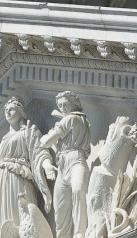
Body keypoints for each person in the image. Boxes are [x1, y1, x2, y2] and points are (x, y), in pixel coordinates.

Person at [0, 97, 56, 238]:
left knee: (21, 212)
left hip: (19, 178)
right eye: (6, 110)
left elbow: (39, 151)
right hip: (1, 182)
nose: (8, 112)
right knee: (4, 218)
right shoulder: (2, 141)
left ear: (21, 112)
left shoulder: (28, 132)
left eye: (12, 109)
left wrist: (47, 165)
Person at [40, 91, 90, 238]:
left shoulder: (72, 119)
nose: (62, 107)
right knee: (60, 205)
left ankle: (80, 232)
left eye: (65, 104)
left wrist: (49, 135)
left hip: (76, 160)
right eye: (60, 105)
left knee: (78, 192)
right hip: (63, 165)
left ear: (74, 104)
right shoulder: (77, 120)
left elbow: (45, 142)